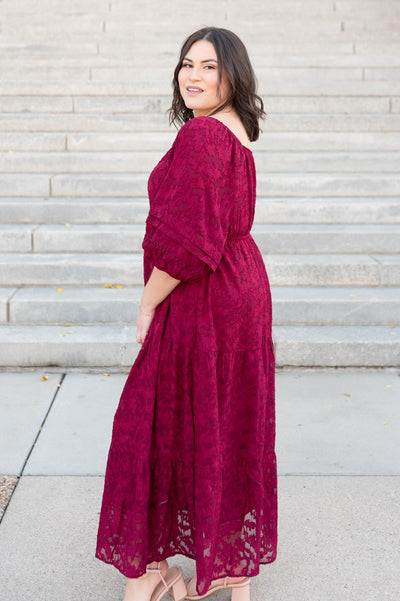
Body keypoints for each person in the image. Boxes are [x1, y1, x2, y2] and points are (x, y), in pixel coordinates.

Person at [95, 26, 277, 601]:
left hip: (205, 298)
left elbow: (192, 245)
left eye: (209, 66)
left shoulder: (203, 136)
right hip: (239, 289)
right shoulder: (235, 132)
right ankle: (224, 573)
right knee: (222, 421)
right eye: (186, 64)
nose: (193, 76)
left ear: (233, 75)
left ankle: (151, 574)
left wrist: (147, 304)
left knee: (150, 427)